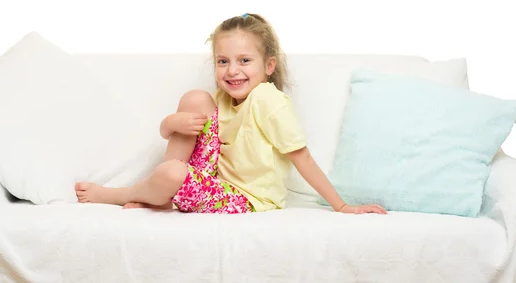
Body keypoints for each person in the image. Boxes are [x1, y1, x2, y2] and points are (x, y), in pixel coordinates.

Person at [74, 13, 387, 215]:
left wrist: (342, 205)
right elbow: (177, 132)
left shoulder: (268, 101)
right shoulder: (221, 98)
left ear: (269, 66)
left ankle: (127, 193)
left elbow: (302, 158)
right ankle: (161, 193)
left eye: (244, 60)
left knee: (170, 173)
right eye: (223, 61)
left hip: (245, 198)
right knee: (194, 99)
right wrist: (169, 124)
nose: (232, 70)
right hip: (212, 178)